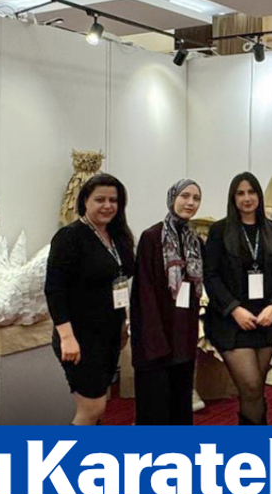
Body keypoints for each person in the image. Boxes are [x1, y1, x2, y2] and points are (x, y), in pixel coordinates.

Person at [45, 173, 135, 425]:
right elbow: (54, 289)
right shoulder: (70, 237)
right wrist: (66, 337)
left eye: (113, 200)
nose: (107, 206)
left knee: (99, 404)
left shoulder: (118, 236)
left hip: (109, 333)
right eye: (100, 199)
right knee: (92, 408)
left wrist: (123, 323)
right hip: (79, 336)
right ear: (84, 201)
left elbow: (118, 281)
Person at [203, 172, 272, 425]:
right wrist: (234, 309)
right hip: (231, 321)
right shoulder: (220, 230)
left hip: (266, 319)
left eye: (251, 192)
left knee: (255, 389)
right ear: (233, 198)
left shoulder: (271, 229)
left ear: (259, 196)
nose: (247, 198)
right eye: (240, 193)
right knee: (251, 386)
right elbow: (211, 276)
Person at [131, 179, 204, 425]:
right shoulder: (152, 237)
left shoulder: (195, 241)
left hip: (183, 335)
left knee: (180, 404)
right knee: (155, 408)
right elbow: (144, 292)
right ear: (172, 198)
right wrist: (155, 339)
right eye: (185, 196)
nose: (190, 202)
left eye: (196, 198)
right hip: (156, 338)